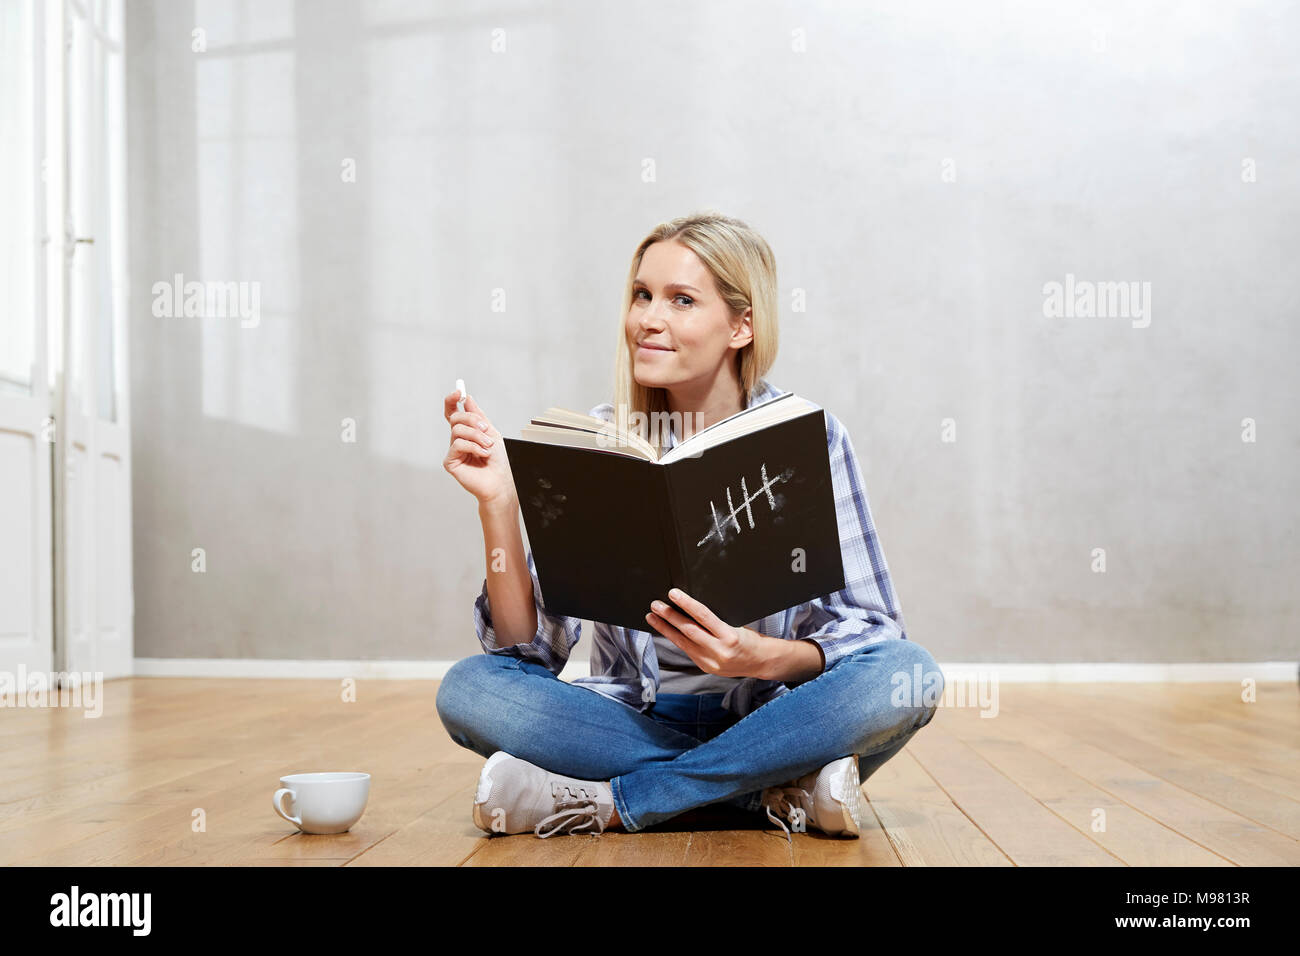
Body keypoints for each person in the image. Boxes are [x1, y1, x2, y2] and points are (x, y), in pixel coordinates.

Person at [437, 211, 944, 841]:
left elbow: (873, 629)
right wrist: (498, 507)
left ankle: (625, 801)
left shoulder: (810, 437)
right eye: (642, 296)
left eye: (681, 301)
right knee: (470, 690)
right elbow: (528, 651)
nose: (649, 319)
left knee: (906, 674)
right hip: (630, 721)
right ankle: (769, 793)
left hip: (774, 715)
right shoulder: (598, 442)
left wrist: (761, 658)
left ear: (742, 324)